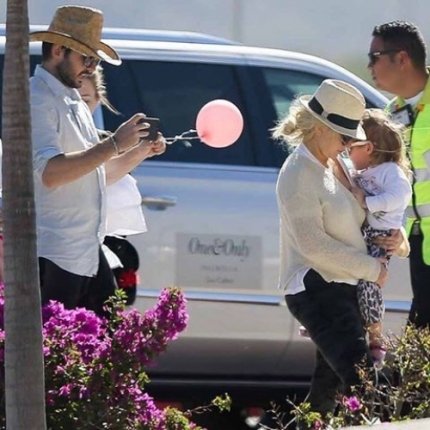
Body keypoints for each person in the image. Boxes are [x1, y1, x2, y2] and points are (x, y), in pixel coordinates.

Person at [274, 79, 409, 417]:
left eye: (352, 138)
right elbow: (313, 244)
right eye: (344, 136)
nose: (349, 145)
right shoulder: (298, 174)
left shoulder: (339, 165)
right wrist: (373, 270)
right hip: (316, 288)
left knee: (326, 391)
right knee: (364, 382)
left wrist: (399, 241)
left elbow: (373, 218)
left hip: (344, 286)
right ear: (320, 127)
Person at [29, 6, 165, 316]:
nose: (91, 68)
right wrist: (114, 144)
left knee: (111, 333)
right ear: (59, 50)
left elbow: (95, 174)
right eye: (86, 58)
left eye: (95, 60)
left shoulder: (73, 100)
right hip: (54, 251)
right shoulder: (37, 98)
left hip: (86, 248)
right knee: (59, 340)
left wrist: (139, 150)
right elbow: (50, 172)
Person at [368, 21, 430, 329]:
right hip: (416, 244)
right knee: (419, 336)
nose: (370, 66)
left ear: (402, 58)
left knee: (418, 336)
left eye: (375, 57)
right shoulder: (392, 114)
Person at [346, 109, 412, 367]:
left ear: (369, 147)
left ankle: (376, 337)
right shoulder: (359, 171)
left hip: (380, 236)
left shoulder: (390, 172)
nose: (346, 152)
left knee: (369, 284)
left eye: (351, 147)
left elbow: (400, 196)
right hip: (363, 233)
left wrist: (368, 202)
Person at [78, 66, 148, 305]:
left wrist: (143, 150)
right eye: (73, 100)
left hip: (103, 242)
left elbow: (107, 174)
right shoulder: (56, 139)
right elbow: (96, 175)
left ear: (98, 99)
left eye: (86, 100)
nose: (79, 107)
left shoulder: (105, 140)